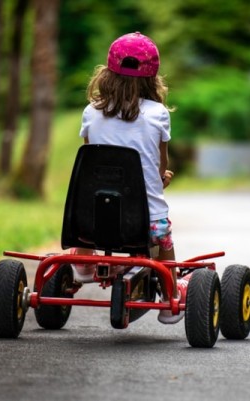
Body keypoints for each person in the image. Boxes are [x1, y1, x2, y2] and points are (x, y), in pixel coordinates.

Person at [75, 32, 182, 324]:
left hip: (93, 220)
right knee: (164, 237)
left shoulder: (91, 112)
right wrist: (163, 177)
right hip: (144, 222)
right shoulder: (158, 113)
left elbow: (93, 164)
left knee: (95, 199)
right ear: (153, 78)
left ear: (107, 74)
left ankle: (82, 264)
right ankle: (170, 293)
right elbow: (160, 169)